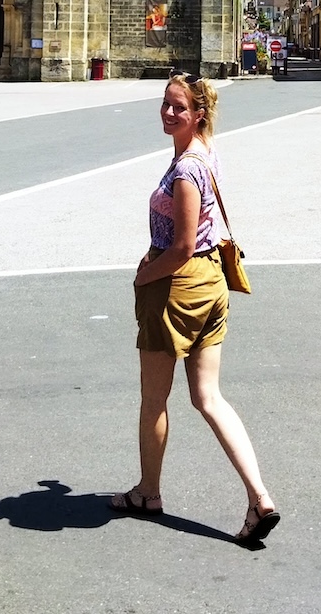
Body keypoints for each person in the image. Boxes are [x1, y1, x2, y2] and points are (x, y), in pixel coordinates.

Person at [110, 73, 282, 547]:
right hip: (213, 283)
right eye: (165, 104)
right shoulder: (207, 152)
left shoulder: (187, 170)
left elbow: (182, 247)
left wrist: (145, 275)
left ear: (198, 115)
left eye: (179, 108)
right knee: (208, 397)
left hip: (178, 287)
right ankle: (259, 496)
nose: (168, 113)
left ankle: (148, 493)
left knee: (154, 399)